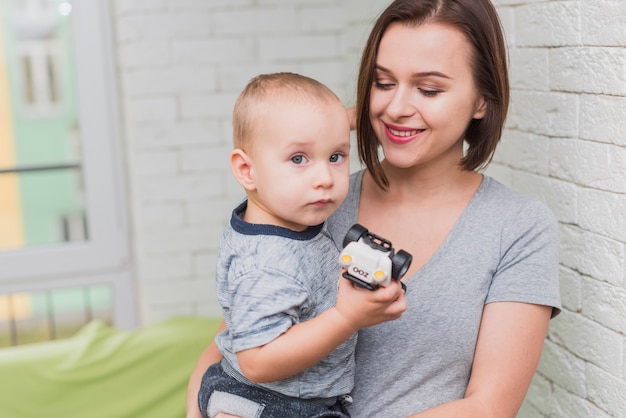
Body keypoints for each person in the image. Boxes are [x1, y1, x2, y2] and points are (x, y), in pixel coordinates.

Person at [187, 0, 561, 416]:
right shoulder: (314, 204)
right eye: (383, 84)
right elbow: (236, 347)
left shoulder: (517, 227)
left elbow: (489, 407)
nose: (396, 108)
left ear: (482, 100)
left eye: (429, 89)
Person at [195, 72, 407, 418]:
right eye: (298, 159)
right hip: (267, 403)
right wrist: (346, 317)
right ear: (247, 170)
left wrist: (360, 117)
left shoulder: (282, 219)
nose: (324, 178)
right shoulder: (267, 262)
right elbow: (257, 361)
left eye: (336, 157)